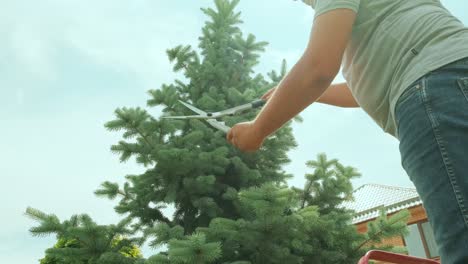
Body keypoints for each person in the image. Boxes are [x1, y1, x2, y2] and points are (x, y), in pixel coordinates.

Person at [226, 0, 468, 263]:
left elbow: (318, 68)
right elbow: (362, 86)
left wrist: (257, 130)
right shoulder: (385, 17)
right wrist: (294, 96)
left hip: (434, 91)